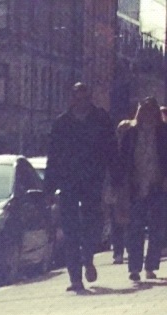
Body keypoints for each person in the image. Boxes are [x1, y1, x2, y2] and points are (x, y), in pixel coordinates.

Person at [47, 79, 116, 291]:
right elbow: (53, 156)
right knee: (70, 230)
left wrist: (115, 179)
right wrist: (49, 188)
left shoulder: (100, 120)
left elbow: (111, 150)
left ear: (89, 98)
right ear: (72, 99)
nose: (81, 102)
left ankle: (88, 258)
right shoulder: (62, 123)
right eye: (77, 97)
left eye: (84, 97)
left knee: (92, 225)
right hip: (68, 182)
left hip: (92, 180)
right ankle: (75, 278)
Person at [116, 93, 165, 282]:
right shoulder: (131, 133)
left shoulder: (163, 132)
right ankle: (134, 267)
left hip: (157, 185)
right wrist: (121, 183)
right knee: (134, 227)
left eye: (152, 110)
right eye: (145, 110)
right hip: (135, 185)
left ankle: (151, 266)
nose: (148, 114)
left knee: (156, 228)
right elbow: (123, 159)